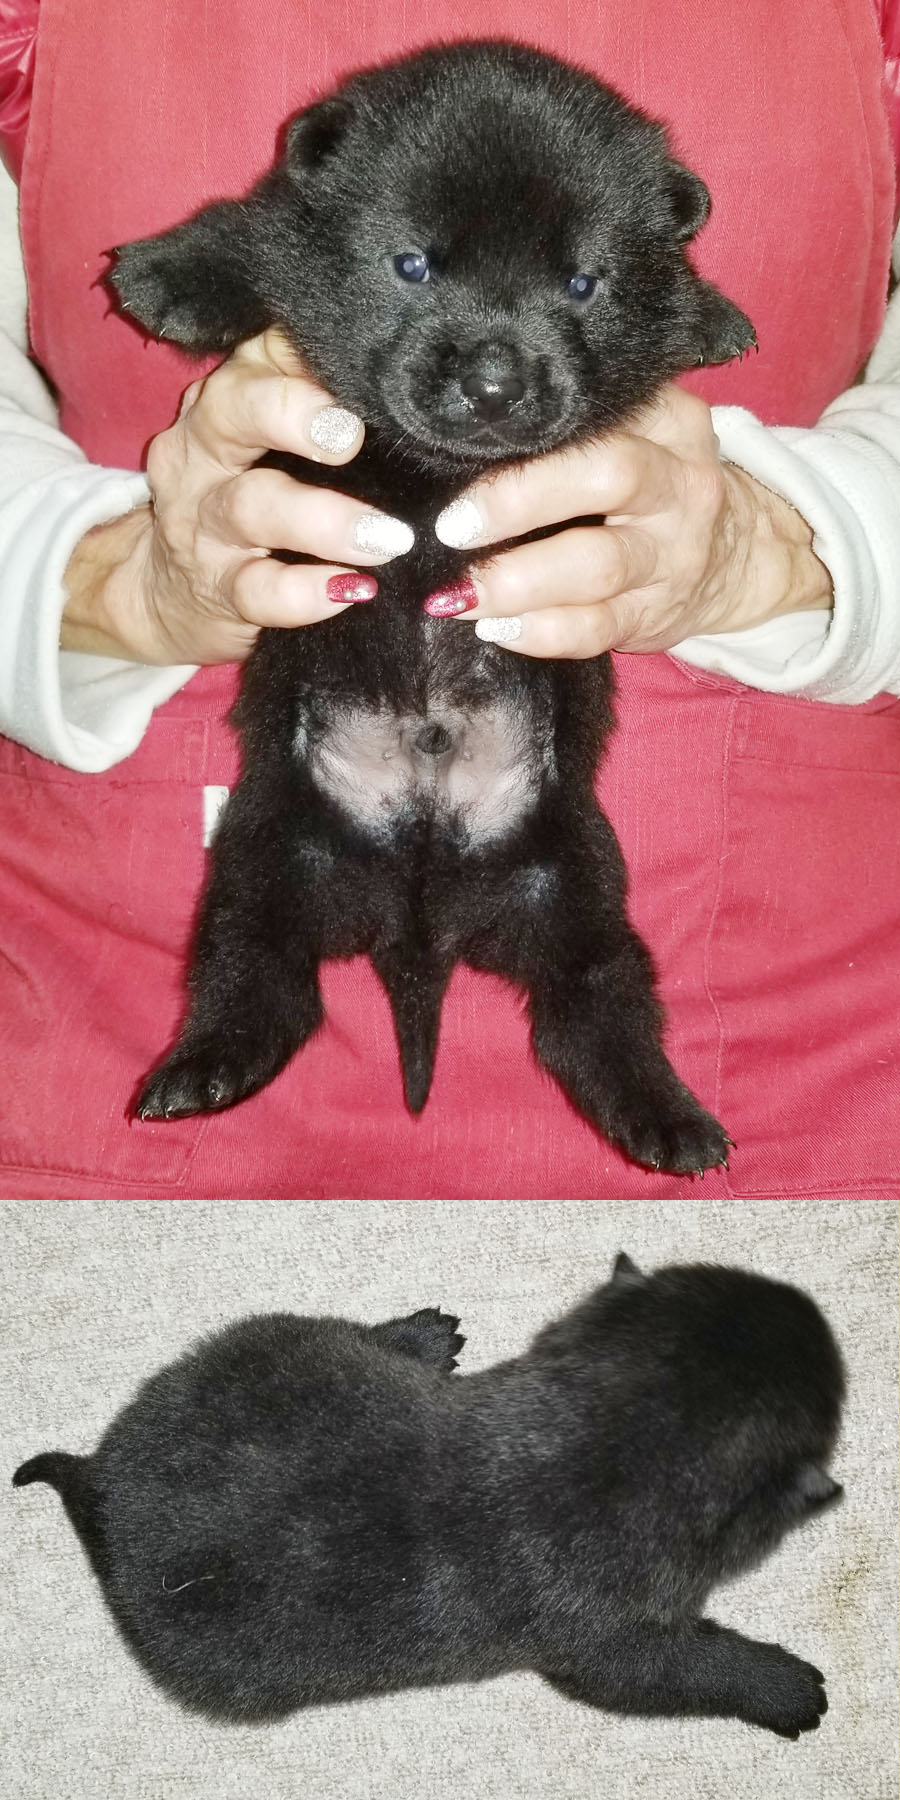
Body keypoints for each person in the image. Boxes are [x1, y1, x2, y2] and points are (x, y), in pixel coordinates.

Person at [0, 0, 898, 1199]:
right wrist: (95, 576)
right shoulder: (291, 222)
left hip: (803, 1038)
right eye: (416, 269)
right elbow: (259, 244)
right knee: (268, 890)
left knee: (577, 921)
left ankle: (607, 1054)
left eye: (577, 286)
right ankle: (255, 1013)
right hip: (106, 1008)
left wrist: (805, 543)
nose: (492, 367)